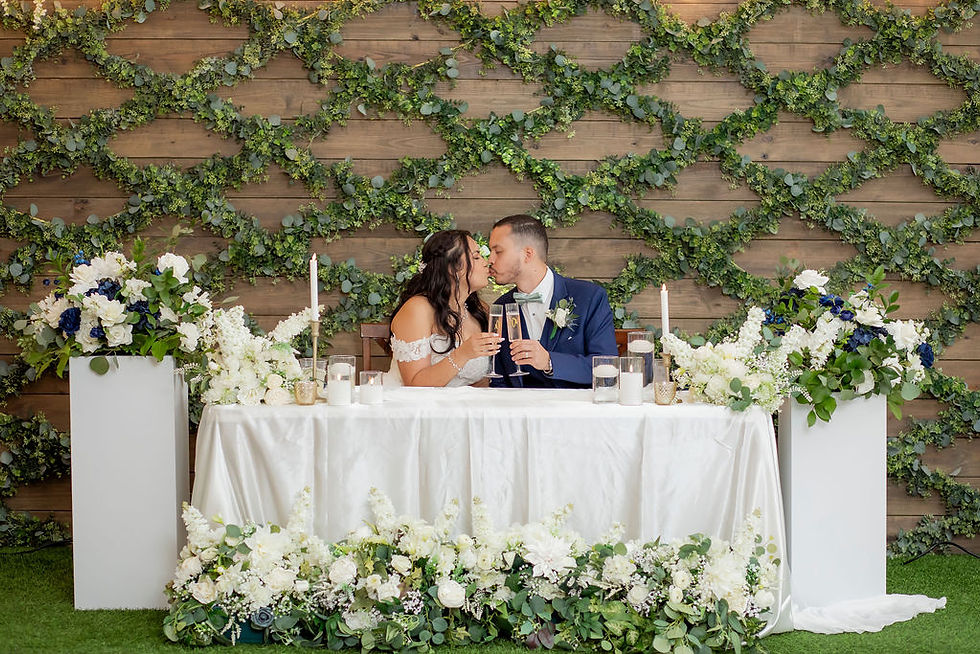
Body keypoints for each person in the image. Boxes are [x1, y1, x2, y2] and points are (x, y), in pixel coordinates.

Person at [488, 214, 617, 388]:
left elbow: (607, 367)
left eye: (498, 251)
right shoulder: (500, 307)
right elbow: (499, 379)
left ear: (527, 254)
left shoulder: (590, 297)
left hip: (575, 404)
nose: (490, 260)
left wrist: (549, 361)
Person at [385, 230, 501, 387]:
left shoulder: (480, 311)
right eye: (476, 257)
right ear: (452, 268)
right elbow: (414, 386)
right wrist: (463, 354)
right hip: (411, 401)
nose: (486, 262)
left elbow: (480, 381)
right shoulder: (417, 310)